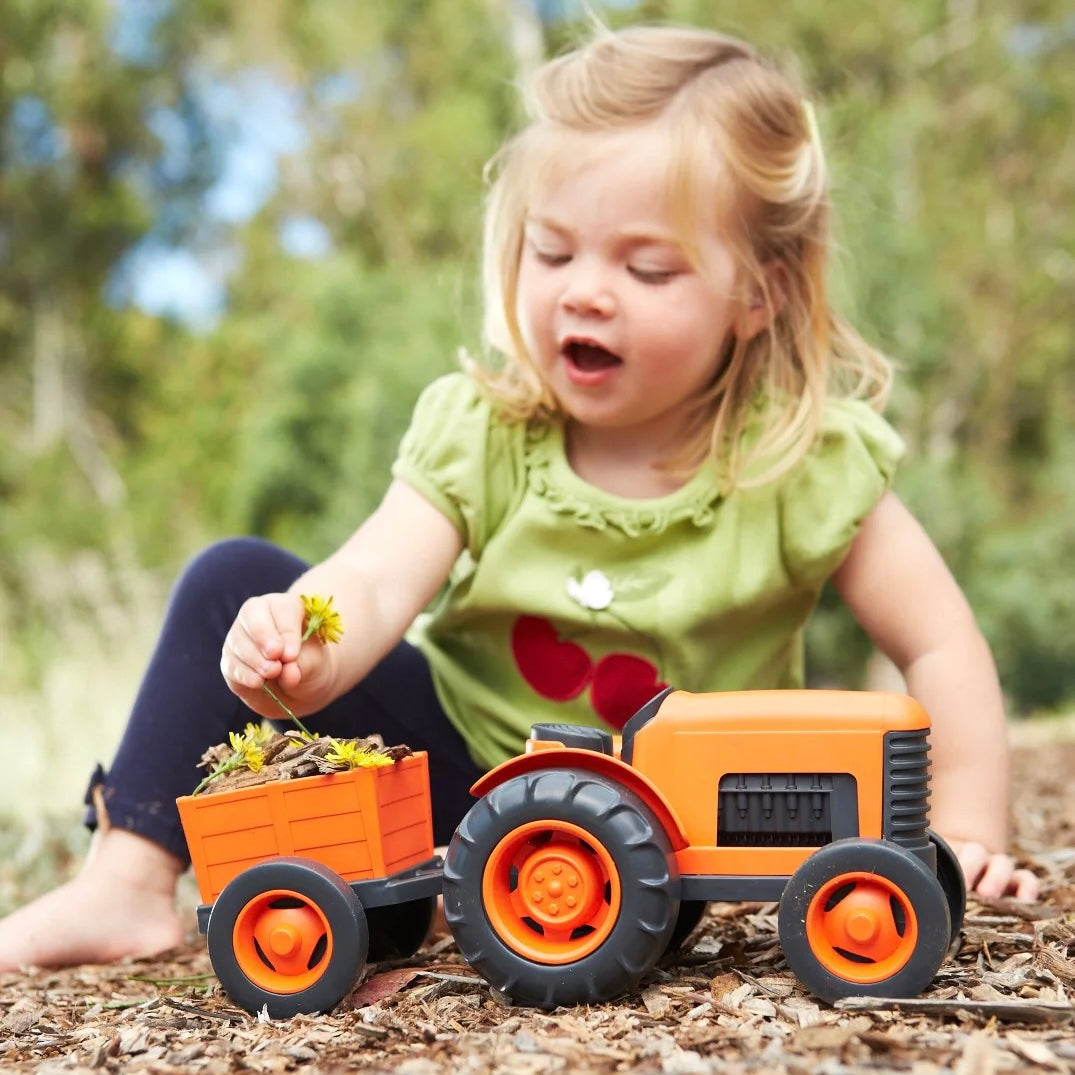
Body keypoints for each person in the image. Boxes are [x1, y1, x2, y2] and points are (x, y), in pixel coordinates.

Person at [0, 23, 1038, 974]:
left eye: (645, 266)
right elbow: (371, 577)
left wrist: (965, 830)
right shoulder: (489, 431)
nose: (585, 289)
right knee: (233, 575)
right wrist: (305, 643)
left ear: (756, 293)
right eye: (554, 251)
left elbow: (940, 642)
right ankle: (127, 883)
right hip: (459, 787)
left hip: (669, 828)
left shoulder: (800, 462)